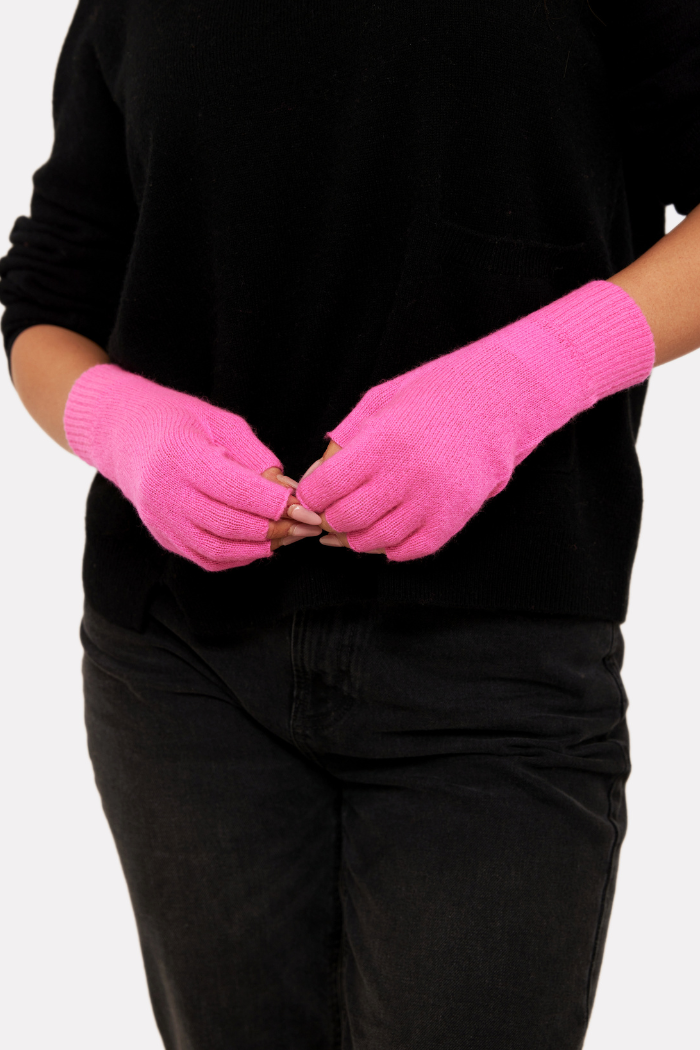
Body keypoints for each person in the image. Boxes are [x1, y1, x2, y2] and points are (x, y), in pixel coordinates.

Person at [1, 0, 699, 1046]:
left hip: (496, 658)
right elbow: (50, 292)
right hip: (183, 670)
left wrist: (520, 382)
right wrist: (125, 428)